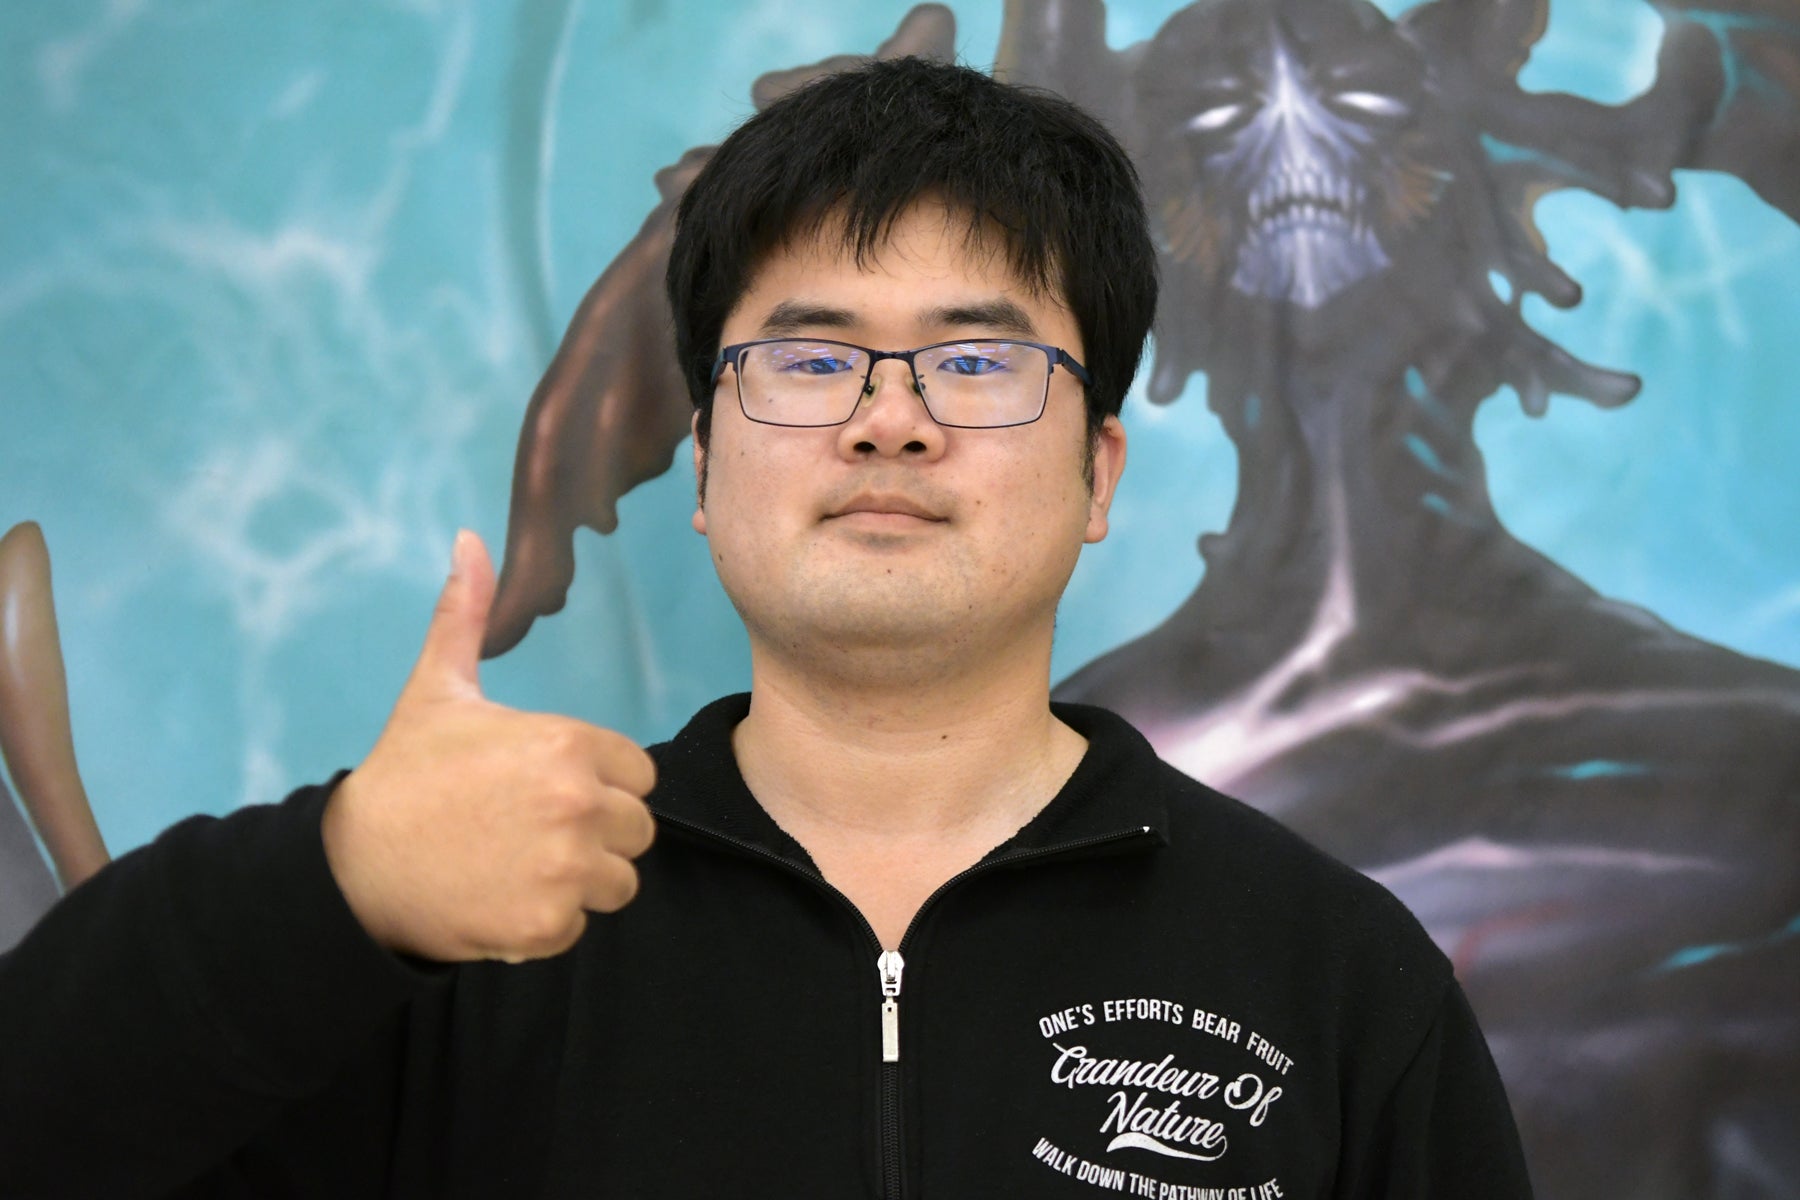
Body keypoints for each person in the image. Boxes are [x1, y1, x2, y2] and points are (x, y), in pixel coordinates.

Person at [0, 57, 1533, 1198]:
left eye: (976, 362)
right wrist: (333, 884)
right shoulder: (464, 930)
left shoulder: (1334, 978)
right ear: (701, 465)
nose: (890, 421)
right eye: (809, 360)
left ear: (1099, 475)